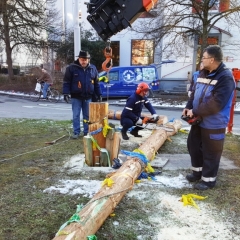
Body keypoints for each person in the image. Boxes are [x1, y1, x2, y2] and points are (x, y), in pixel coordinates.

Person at [182, 45, 235, 190]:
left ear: (212, 59)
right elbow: (194, 93)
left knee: (211, 152)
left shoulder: (225, 78)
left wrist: (195, 110)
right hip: (199, 120)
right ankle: (197, 173)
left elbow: (216, 104)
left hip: (214, 123)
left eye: (204, 58)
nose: (202, 60)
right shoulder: (203, 73)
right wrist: (188, 106)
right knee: (194, 146)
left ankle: (208, 180)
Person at [62, 50, 102, 139]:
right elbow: (66, 82)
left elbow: (96, 83)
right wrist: (65, 93)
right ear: (79, 59)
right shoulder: (71, 68)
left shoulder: (93, 68)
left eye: (85, 59)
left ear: (88, 60)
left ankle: (86, 132)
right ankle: (76, 132)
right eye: (82, 59)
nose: (83, 61)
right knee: (76, 115)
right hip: (76, 97)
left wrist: (99, 94)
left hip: (88, 96)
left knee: (87, 116)